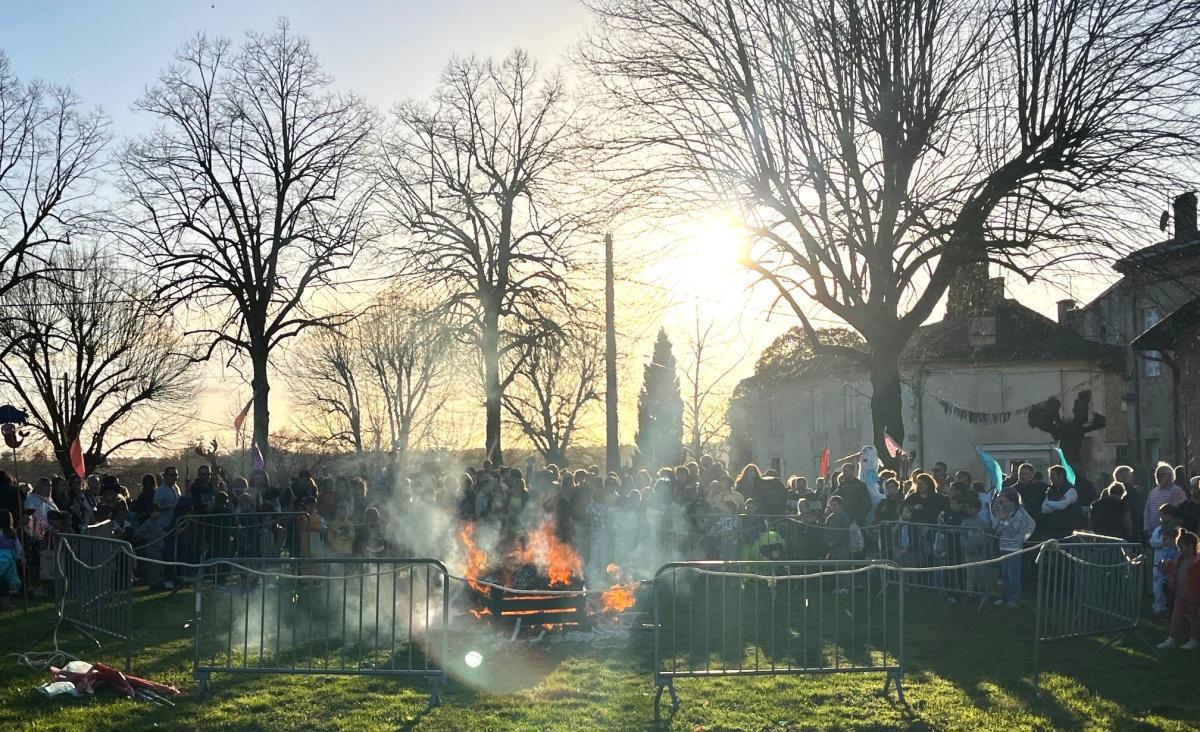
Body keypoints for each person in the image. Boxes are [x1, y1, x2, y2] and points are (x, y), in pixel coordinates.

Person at [991, 488, 1035, 608]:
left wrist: (1006, 519)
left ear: (1013, 502)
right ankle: (1005, 597)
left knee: (1013, 575)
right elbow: (999, 530)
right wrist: (1001, 520)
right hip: (1003, 547)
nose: (1003, 504)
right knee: (1004, 575)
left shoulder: (1018, 515)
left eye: (1006, 502)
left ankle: (1014, 599)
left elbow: (1014, 530)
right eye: (1002, 502)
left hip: (1014, 549)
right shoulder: (1004, 514)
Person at [1158, 529, 1200, 650]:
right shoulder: (1179, 559)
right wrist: (1164, 565)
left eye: (1181, 547)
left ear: (1191, 546)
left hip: (1194, 595)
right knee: (1176, 616)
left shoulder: (1197, 562)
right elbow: (1170, 565)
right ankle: (1172, 638)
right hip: (1180, 593)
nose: (1180, 550)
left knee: (1194, 618)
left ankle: (1194, 640)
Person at [1151, 505, 1182, 616]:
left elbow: (1178, 544)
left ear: (1171, 515)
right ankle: (1158, 607)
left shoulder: (1177, 529)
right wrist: (1163, 542)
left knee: (1170, 584)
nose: (1162, 517)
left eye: (1164, 514)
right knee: (1157, 584)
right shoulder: (1158, 529)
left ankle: (1170, 607)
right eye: (1160, 514)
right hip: (1158, 561)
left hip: (1172, 562)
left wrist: (1169, 543)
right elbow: (1153, 542)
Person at [1145, 462, 1188, 542]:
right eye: (1157, 474)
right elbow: (1147, 511)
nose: (1158, 477)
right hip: (1152, 534)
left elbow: (1179, 513)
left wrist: (1168, 529)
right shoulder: (1153, 492)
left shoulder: (1177, 491)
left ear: (1170, 475)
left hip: (1168, 535)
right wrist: (1146, 528)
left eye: (1161, 474)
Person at [1040, 465, 1082, 539]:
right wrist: (1057, 503)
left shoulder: (1071, 490)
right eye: (1050, 476)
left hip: (1068, 530)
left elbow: (1062, 506)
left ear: (1061, 476)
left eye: (1053, 475)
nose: (1050, 478)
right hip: (1053, 529)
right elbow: (1043, 509)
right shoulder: (1050, 490)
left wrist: (1049, 503)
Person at [0, 509, 22, 610]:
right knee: (5, 582)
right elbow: (18, 549)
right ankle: (5, 602)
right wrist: (18, 557)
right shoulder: (12, 534)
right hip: (9, 561)